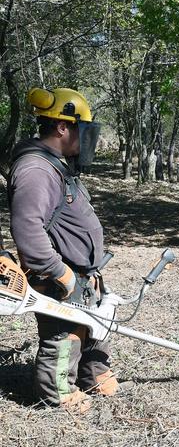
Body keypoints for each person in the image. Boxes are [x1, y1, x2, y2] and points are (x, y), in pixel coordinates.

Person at [8, 88, 120, 413]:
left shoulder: (55, 165)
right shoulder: (36, 170)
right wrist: (63, 274)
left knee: (94, 327)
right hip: (61, 278)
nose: (86, 139)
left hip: (84, 274)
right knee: (64, 336)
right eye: (82, 129)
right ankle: (58, 395)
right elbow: (28, 230)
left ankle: (94, 376)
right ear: (62, 127)